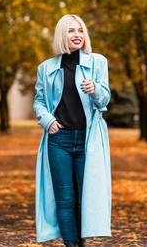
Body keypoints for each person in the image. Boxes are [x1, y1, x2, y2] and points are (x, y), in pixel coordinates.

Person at [33, 14, 112, 247]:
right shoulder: (45, 68)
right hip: (59, 140)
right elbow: (39, 101)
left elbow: (105, 100)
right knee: (65, 200)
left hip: (88, 140)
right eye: (71, 31)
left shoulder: (97, 62)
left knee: (84, 198)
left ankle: (81, 242)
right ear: (61, 35)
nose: (77, 35)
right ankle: (72, 245)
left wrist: (95, 89)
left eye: (80, 30)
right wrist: (47, 119)